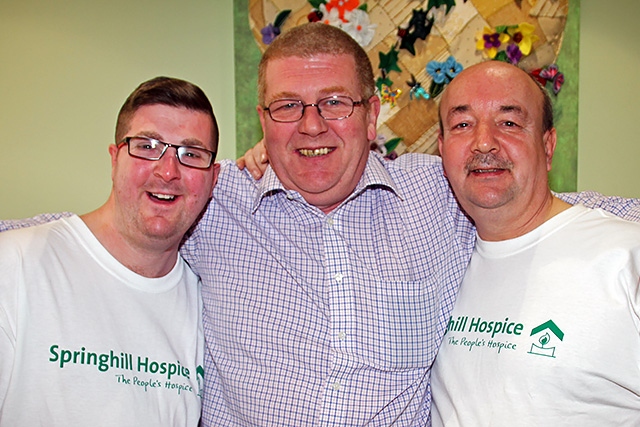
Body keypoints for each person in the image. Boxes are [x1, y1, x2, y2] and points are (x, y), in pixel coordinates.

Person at [3, 23, 640, 426]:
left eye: (334, 103)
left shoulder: (439, 191)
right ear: (262, 119)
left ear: (370, 114)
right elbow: (113, 221)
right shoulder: (214, 196)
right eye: (288, 106)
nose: (311, 125)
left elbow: (540, 206)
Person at [0, 76, 220, 426]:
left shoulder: (207, 306)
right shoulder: (16, 266)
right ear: (115, 158)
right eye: (148, 146)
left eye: (191, 154)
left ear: (213, 178)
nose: (168, 171)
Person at [430, 61, 640, 425]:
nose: (483, 142)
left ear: (547, 145)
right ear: (443, 149)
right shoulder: (441, 267)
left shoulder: (625, 257)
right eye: (463, 124)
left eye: (508, 122)